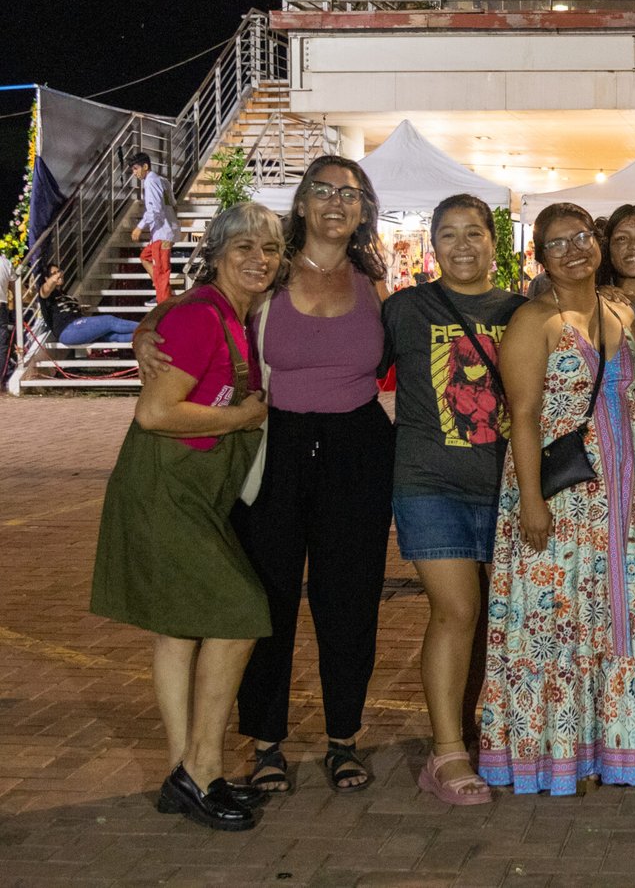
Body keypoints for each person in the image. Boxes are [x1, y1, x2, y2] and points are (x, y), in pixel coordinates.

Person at [140, 155, 394, 794]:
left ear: (363, 211)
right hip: (271, 446)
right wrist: (147, 325)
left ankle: (343, 740)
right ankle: (266, 742)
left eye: (351, 193)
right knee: (266, 598)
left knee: (350, 598)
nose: (336, 202)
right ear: (302, 203)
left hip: (359, 449)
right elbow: (201, 307)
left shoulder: (375, 284)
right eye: (322, 190)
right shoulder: (269, 277)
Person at [484, 202, 635, 795]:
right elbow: (522, 417)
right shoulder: (534, 321)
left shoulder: (621, 309)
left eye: (582, 238)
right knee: (557, 617)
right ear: (539, 256)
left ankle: (614, 747)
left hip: (622, 492)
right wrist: (531, 501)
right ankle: (558, 754)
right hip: (560, 494)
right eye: (557, 243)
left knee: (617, 619)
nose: (573, 250)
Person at [90, 202, 281, 831]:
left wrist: (152, 323)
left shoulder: (222, 314)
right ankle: (203, 767)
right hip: (164, 491)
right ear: (218, 253)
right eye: (245, 248)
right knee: (240, 612)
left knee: (179, 630)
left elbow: (166, 322)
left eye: (271, 250)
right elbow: (155, 413)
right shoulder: (205, 317)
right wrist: (242, 417)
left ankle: (183, 774)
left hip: (186, 492)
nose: (259, 259)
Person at [383, 194, 526, 804]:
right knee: (457, 611)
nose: (462, 246)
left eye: (474, 233)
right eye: (448, 235)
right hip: (429, 484)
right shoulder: (402, 310)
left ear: (495, 243)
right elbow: (338, 359)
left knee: (505, 619)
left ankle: (497, 733)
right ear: (432, 245)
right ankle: (447, 754)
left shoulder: (524, 312)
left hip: (511, 490)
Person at [35, 264, 140, 344]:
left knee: (112, 336)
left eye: (59, 271)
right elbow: (46, 288)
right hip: (68, 330)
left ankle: (148, 336)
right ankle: (149, 327)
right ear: (46, 279)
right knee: (109, 321)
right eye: (54, 273)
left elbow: (62, 310)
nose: (59, 274)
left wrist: (78, 307)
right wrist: (55, 277)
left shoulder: (63, 294)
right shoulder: (45, 294)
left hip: (75, 327)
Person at [131, 152, 180, 306]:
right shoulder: (163, 181)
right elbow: (173, 203)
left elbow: (155, 210)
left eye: (136, 168)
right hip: (166, 231)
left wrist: (139, 227)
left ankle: (163, 302)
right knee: (145, 257)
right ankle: (162, 289)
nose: (135, 172)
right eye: (133, 169)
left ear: (145, 166)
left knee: (161, 270)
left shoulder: (150, 182)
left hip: (162, 233)